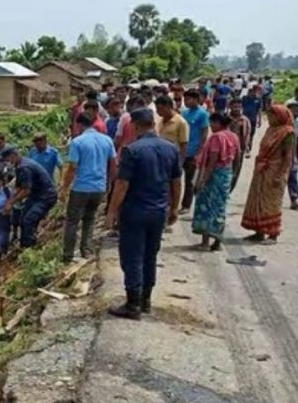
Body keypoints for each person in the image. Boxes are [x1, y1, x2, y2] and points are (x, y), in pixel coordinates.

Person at [105, 108, 182, 320]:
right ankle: (146, 300)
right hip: (158, 211)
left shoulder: (132, 150)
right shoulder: (171, 149)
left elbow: (121, 184)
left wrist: (111, 212)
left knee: (132, 257)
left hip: (135, 211)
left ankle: (132, 304)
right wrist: (174, 208)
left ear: (136, 125)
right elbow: (176, 182)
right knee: (150, 255)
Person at [60, 113, 117, 262]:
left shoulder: (77, 142)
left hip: (81, 187)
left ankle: (68, 255)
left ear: (79, 125)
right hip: (98, 187)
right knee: (89, 219)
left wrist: (64, 187)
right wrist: (109, 183)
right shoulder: (107, 140)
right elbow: (113, 164)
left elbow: (72, 167)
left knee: (72, 221)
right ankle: (86, 250)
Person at [241, 105, 297, 244]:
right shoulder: (270, 130)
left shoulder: (288, 133)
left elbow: (288, 157)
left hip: (275, 171)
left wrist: (281, 174)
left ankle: (273, 234)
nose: (270, 119)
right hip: (262, 170)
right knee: (257, 200)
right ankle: (259, 231)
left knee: (271, 203)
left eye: (272, 116)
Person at [191, 113, 240, 251]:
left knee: (207, 206)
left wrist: (202, 180)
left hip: (213, 176)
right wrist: (234, 173)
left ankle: (205, 242)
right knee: (219, 208)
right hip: (225, 174)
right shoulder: (233, 136)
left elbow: (212, 160)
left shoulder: (216, 137)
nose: (211, 126)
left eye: (213, 123)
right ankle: (217, 240)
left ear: (219, 123)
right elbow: (238, 156)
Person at [3, 147, 58, 248]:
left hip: (45, 196)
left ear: (13, 156)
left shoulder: (25, 167)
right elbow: (20, 187)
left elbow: (26, 191)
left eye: (7, 160)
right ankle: (25, 243)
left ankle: (29, 248)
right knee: (23, 218)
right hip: (35, 195)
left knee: (29, 220)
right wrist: (9, 201)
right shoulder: (20, 166)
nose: (8, 163)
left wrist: (11, 203)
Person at [179, 90, 210, 214]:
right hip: (181, 151)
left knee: (189, 181)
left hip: (193, 151)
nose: (187, 102)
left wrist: (200, 151)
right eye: (185, 100)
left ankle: (186, 205)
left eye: (189, 99)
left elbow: (204, 133)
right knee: (175, 178)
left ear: (197, 100)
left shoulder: (202, 114)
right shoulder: (184, 113)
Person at [155, 95, 189, 163]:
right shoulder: (159, 120)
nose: (157, 111)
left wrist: (180, 163)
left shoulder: (181, 122)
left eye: (159, 108)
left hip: (173, 157)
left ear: (167, 107)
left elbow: (183, 145)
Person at [227, 99, 251, 192]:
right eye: (235, 107)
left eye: (239, 107)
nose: (237, 109)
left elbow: (248, 134)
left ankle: (230, 190)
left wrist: (247, 147)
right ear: (230, 107)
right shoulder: (226, 119)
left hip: (239, 150)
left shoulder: (245, 120)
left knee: (236, 171)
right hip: (226, 149)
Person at [242, 85, 263, 155]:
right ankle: (243, 147)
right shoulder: (244, 98)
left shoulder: (258, 100)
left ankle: (249, 149)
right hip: (244, 118)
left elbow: (259, 110)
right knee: (243, 133)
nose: (255, 92)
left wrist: (260, 120)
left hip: (253, 119)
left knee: (251, 135)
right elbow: (240, 107)